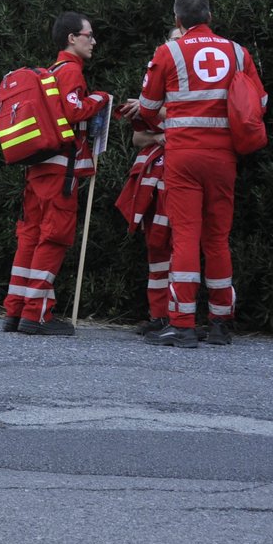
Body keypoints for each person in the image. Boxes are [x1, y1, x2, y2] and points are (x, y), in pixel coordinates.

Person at [133, 0, 266, 348]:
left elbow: (147, 107)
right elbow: (260, 103)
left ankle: (182, 323)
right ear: (210, 15)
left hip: (183, 158)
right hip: (224, 157)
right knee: (217, 238)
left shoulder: (169, 52)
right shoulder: (238, 53)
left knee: (186, 235)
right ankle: (221, 321)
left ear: (178, 20)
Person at [0, 12, 111, 336]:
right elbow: (74, 110)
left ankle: (15, 310)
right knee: (54, 237)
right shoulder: (71, 71)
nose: (93, 41)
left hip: (37, 168)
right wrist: (101, 98)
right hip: (61, 171)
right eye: (88, 35)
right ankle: (36, 315)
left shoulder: (50, 72)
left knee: (30, 236)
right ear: (71, 38)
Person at [116, 27, 183, 337]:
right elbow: (137, 137)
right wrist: (159, 134)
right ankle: (158, 315)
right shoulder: (159, 90)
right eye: (171, 41)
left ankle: (179, 316)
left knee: (178, 245)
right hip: (155, 175)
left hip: (181, 176)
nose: (174, 46)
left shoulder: (195, 88)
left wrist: (158, 121)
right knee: (156, 245)